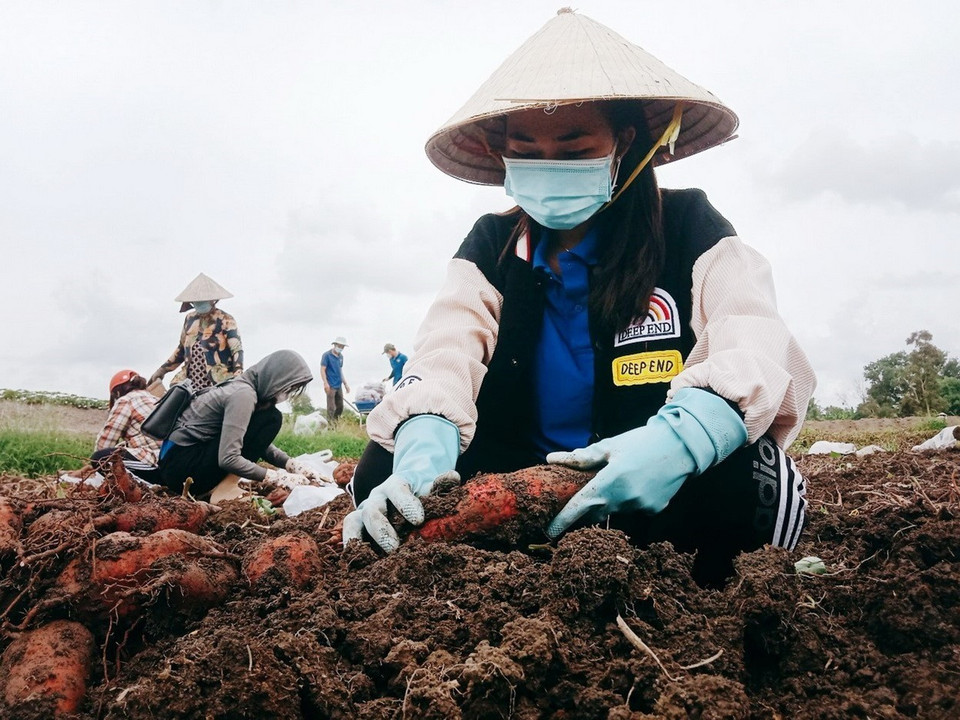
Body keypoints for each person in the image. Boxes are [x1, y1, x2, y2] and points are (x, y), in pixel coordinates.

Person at [343, 9, 817, 584]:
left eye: (573, 151)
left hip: (647, 479)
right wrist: (426, 436)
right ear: (504, 154)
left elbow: (754, 336)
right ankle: (495, 572)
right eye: (527, 151)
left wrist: (683, 438)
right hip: (517, 481)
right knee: (381, 472)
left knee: (755, 482)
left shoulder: (689, 227)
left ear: (623, 143)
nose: (549, 168)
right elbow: (448, 344)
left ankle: (682, 580)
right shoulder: (493, 246)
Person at [157, 349, 319, 496]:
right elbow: (228, 458)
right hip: (183, 471)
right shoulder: (243, 395)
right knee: (272, 418)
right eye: (288, 388)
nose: (286, 395)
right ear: (276, 379)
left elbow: (250, 439)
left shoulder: (239, 386)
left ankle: (216, 487)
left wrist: (290, 464)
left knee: (267, 418)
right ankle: (225, 489)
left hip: (174, 467)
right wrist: (274, 477)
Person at [149, 273, 243, 392]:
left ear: (212, 300)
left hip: (218, 379)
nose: (199, 303)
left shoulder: (226, 319)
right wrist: (162, 370)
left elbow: (236, 349)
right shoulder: (190, 319)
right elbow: (181, 349)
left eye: (203, 301)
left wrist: (238, 375)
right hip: (190, 380)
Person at [92, 369, 163, 483]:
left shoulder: (126, 400)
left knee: (100, 458)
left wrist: (93, 467)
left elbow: (105, 442)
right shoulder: (156, 399)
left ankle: (141, 487)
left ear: (117, 392)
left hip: (154, 463)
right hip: (170, 460)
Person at [320, 336, 351, 422]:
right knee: (331, 407)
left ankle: (335, 423)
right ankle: (330, 426)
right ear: (335, 345)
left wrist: (345, 384)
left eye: (342, 347)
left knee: (340, 407)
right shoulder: (326, 355)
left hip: (338, 385)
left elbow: (340, 370)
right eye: (339, 346)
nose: (341, 348)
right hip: (330, 385)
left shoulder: (341, 357)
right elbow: (322, 369)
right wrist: (325, 383)